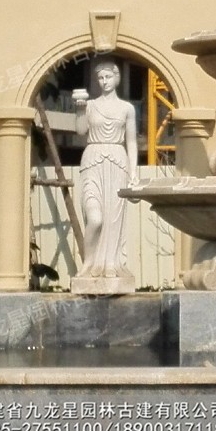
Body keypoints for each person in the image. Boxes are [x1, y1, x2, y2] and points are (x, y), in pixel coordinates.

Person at [73, 60, 138, 280]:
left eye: (108, 77)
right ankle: (88, 262)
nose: (104, 82)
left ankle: (111, 263)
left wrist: (133, 173)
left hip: (118, 161)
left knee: (113, 219)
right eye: (100, 78)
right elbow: (80, 130)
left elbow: (131, 143)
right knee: (95, 218)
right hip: (93, 159)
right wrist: (80, 109)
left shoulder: (127, 109)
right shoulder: (90, 105)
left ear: (116, 78)